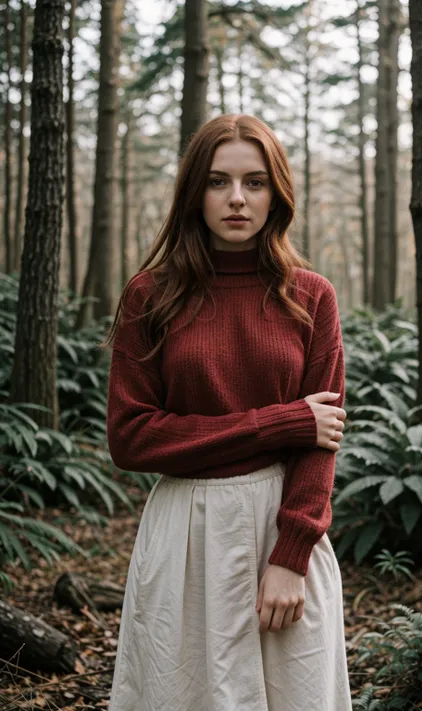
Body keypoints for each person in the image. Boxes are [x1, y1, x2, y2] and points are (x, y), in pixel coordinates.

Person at [105, 114, 352, 711]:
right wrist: (279, 422)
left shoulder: (311, 296)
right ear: (195, 191)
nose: (237, 199)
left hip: (284, 526)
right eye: (218, 182)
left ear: (277, 193)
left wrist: (290, 558)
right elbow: (132, 439)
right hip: (185, 532)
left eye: (255, 182)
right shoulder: (150, 295)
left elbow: (322, 442)